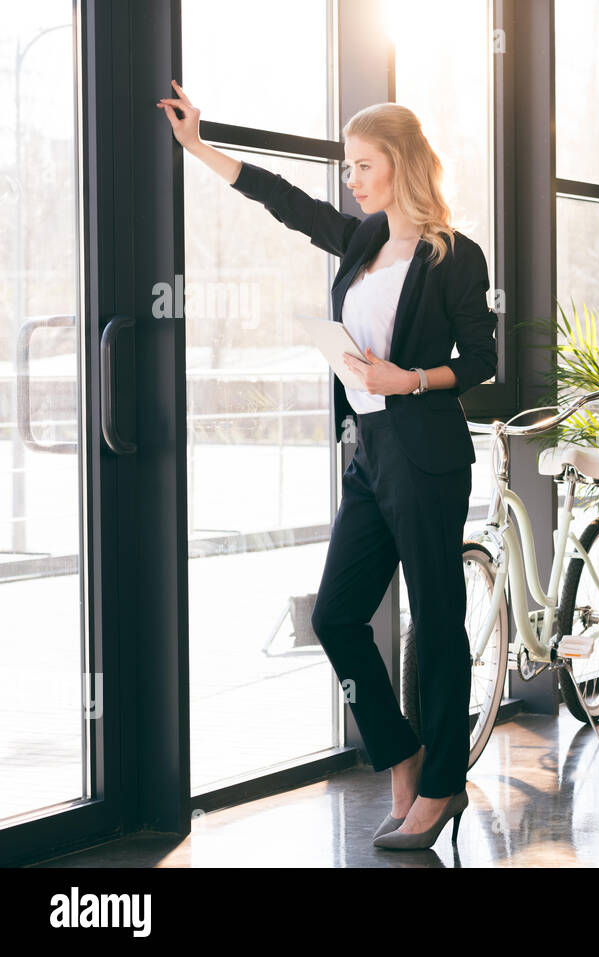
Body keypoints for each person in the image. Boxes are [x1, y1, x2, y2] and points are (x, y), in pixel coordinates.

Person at [158, 80, 496, 850]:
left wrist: (405, 378)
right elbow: (281, 200)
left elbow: (482, 359)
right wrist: (199, 147)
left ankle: (442, 784)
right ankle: (401, 750)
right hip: (371, 456)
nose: (351, 178)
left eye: (364, 164)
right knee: (337, 615)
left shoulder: (453, 256)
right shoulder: (362, 242)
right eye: (348, 166)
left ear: (402, 163)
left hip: (427, 456)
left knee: (438, 622)